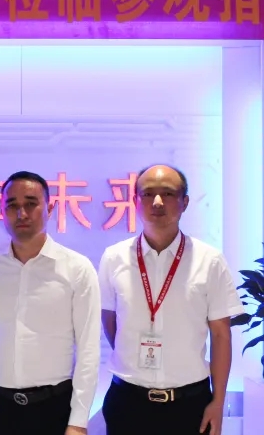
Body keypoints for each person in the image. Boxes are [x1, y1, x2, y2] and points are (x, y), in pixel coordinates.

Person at [98, 164, 244, 435]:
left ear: (184, 202)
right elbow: (110, 321)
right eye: (147, 193)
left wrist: (218, 402)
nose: (157, 201)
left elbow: (221, 335)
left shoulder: (209, 260)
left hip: (190, 405)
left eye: (167, 193)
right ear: (135, 201)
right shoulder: (113, 258)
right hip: (128, 403)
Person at [0, 171, 101, 435]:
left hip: (53, 409)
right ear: (2, 211)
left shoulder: (77, 268)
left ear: (49, 208)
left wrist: (78, 420)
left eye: (30, 204)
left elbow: (88, 350)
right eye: (12, 205)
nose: (21, 213)